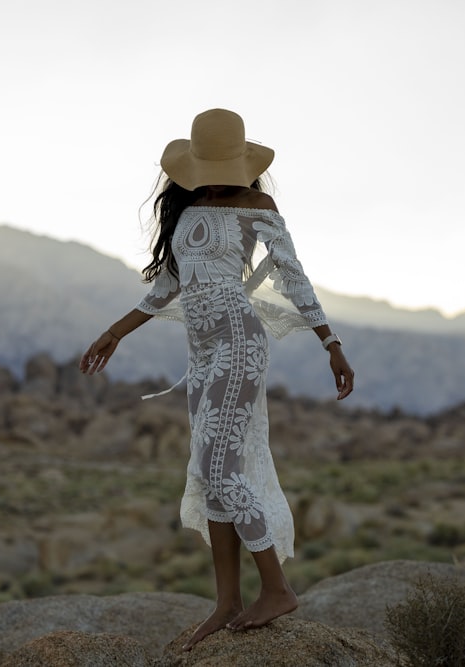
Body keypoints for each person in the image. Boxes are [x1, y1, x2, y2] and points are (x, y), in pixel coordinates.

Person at [79, 108, 354, 650]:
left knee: (218, 464)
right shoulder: (188, 209)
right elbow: (168, 286)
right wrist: (116, 330)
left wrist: (331, 343)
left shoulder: (259, 207)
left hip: (238, 343)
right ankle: (227, 600)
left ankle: (276, 589)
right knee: (208, 474)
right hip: (201, 353)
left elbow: (293, 276)